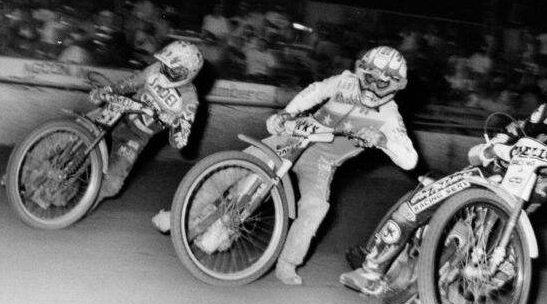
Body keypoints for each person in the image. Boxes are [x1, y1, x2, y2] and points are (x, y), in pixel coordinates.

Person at [340, 74, 547, 295]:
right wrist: (492, 147)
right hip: (484, 176)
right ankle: (372, 267)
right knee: (416, 204)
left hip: (513, 218)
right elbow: (509, 133)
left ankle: (451, 293)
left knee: (489, 282)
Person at [152, 46, 419, 286]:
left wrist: (383, 140)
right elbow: (315, 91)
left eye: (382, 83)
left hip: (321, 161)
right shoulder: (345, 81)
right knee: (230, 170)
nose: (372, 87)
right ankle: (179, 216)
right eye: (369, 78)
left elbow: (410, 160)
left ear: (395, 85)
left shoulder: (390, 117)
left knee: (316, 206)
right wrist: (288, 113)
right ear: (362, 73)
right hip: (296, 135)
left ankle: (287, 263)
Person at [90, 40, 203, 202]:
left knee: (112, 183)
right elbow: (132, 82)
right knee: (80, 131)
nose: (165, 71)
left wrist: (174, 123)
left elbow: (179, 141)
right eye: (165, 65)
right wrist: (109, 90)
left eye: (172, 70)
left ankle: (81, 206)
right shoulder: (156, 68)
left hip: (136, 137)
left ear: (187, 73)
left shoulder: (190, 100)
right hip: (119, 113)